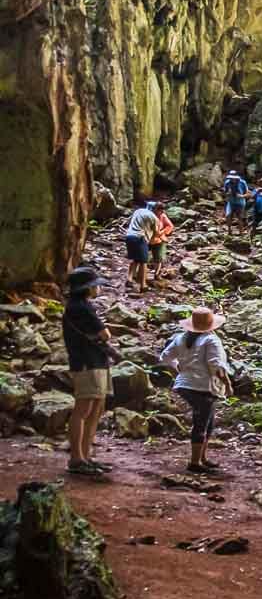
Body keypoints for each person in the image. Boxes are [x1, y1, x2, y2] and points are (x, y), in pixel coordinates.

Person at [160, 307, 232, 474]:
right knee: (201, 423)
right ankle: (194, 462)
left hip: (184, 385)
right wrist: (228, 384)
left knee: (208, 421)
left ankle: (202, 458)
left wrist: (178, 369)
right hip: (203, 386)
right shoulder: (211, 340)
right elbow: (216, 365)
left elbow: (165, 357)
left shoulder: (180, 338)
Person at [62, 267, 117, 477]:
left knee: (95, 409)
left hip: (94, 361)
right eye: (95, 285)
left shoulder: (80, 306)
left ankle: (85, 456)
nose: (98, 288)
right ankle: (77, 458)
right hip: (87, 363)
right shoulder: (81, 308)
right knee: (84, 409)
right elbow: (105, 334)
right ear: (87, 288)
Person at [124, 202, 159, 292]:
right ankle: (143, 285)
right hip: (140, 238)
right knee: (144, 262)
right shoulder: (153, 217)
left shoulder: (137, 211)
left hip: (129, 236)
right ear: (155, 209)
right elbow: (156, 232)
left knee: (135, 259)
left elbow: (130, 221)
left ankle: (129, 279)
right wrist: (152, 241)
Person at [148, 202, 175, 283]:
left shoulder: (163, 216)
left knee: (159, 258)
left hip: (159, 239)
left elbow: (170, 226)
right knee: (142, 256)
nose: (160, 212)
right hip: (147, 238)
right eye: (159, 210)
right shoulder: (149, 215)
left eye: (161, 210)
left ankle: (157, 274)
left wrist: (162, 232)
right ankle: (138, 273)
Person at [222, 170, 249, 235]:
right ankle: (229, 231)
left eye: (233, 178)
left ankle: (241, 232)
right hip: (231, 202)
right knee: (228, 215)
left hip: (240, 202)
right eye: (231, 178)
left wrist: (241, 196)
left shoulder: (242, 182)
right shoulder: (227, 182)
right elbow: (224, 193)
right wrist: (227, 193)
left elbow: (248, 194)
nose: (232, 179)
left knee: (239, 217)